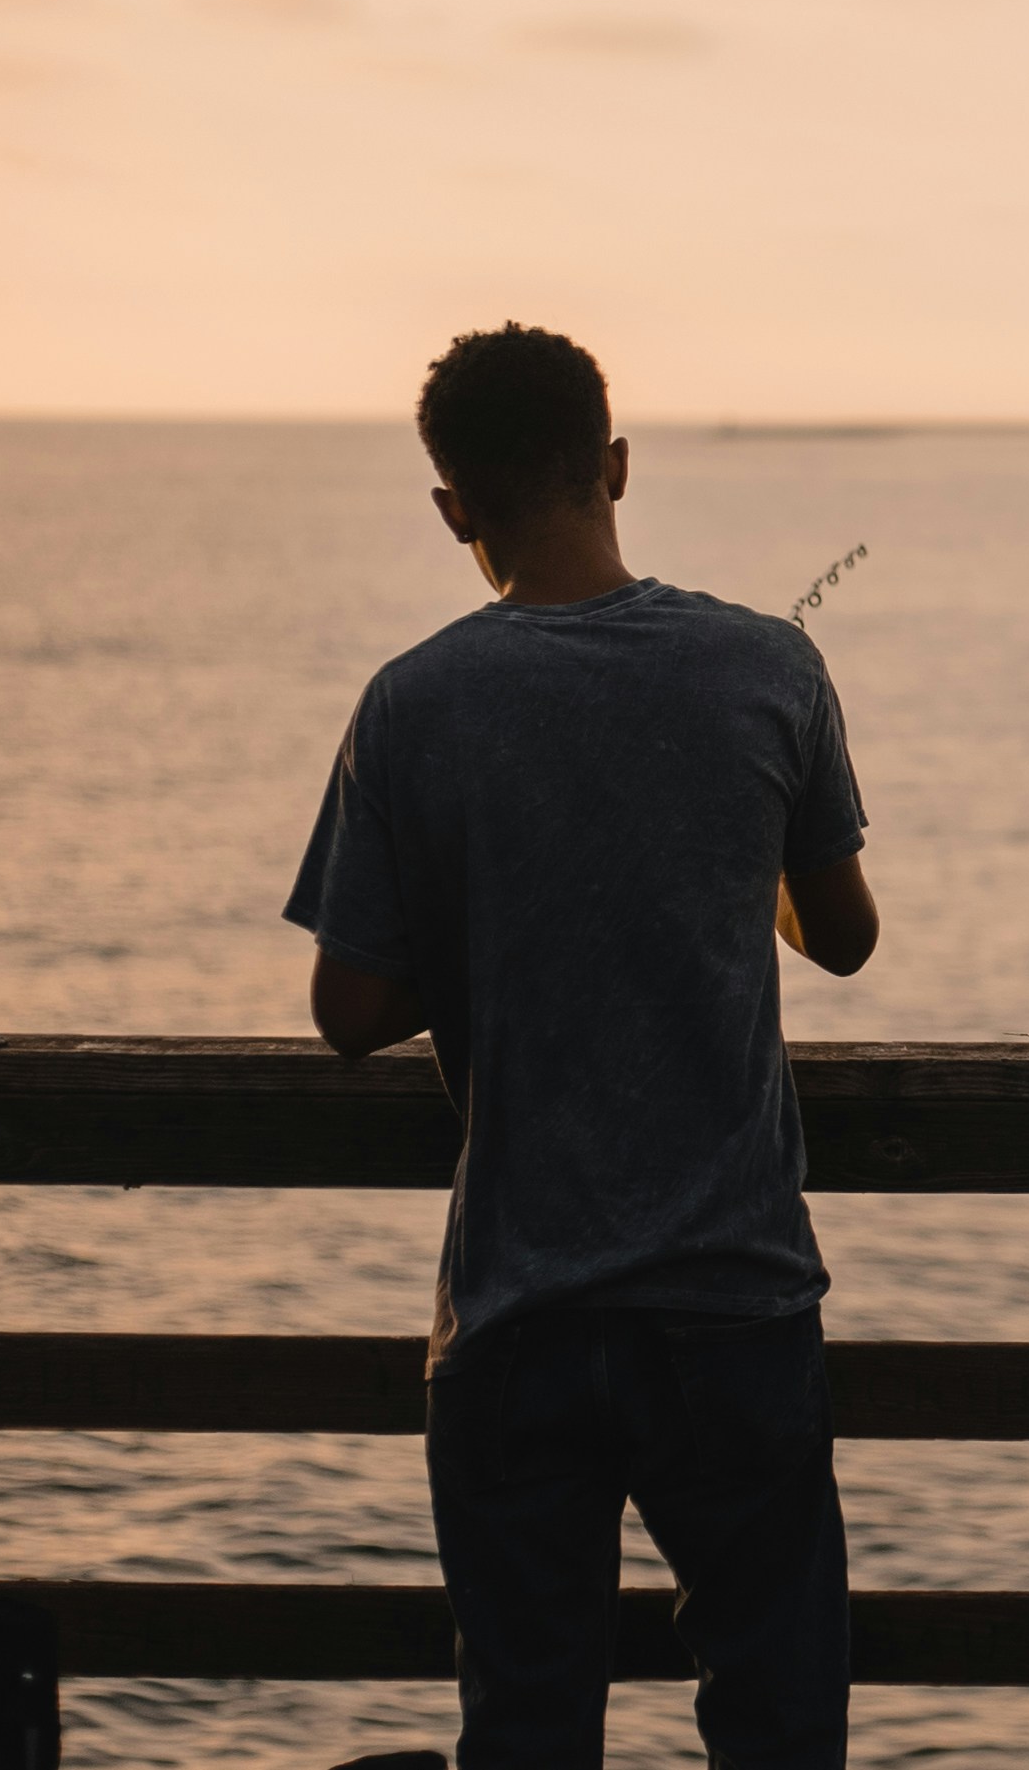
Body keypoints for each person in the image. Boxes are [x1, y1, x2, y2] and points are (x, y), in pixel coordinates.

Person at [287, 322, 883, 1770]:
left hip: (514, 1312)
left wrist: (507, 929)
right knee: (778, 1714)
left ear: (453, 508)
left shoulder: (412, 702)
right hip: (734, 1305)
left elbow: (349, 1009)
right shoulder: (767, 663)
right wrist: (724, 875)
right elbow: (846, 932)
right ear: (614, 463)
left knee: (529, 1722)